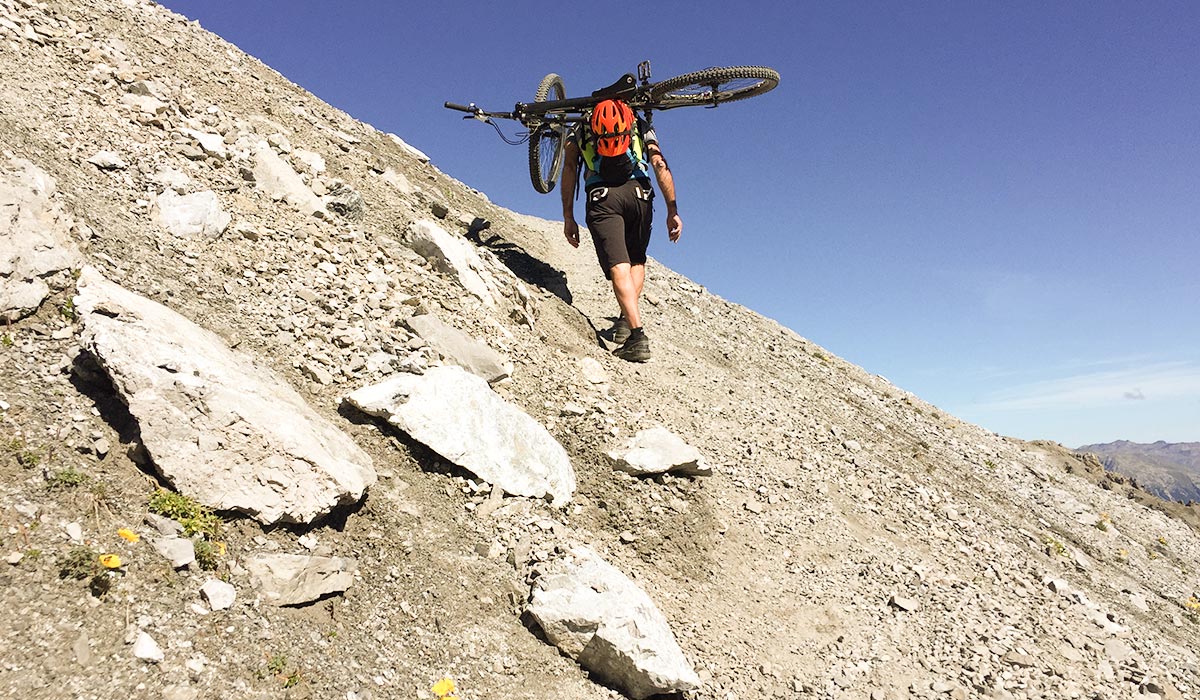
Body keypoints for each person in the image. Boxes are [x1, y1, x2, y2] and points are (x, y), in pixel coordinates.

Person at [561, 98, 682, 362]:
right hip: (640, 194)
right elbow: (659, 164)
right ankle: (625, 323)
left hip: (603, 197)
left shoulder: (580, 126)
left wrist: (568, 215)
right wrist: (672, 210)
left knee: (619, 265)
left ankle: (637, 336)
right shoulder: (639, 124)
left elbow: (569, 168)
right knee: (636, 260)